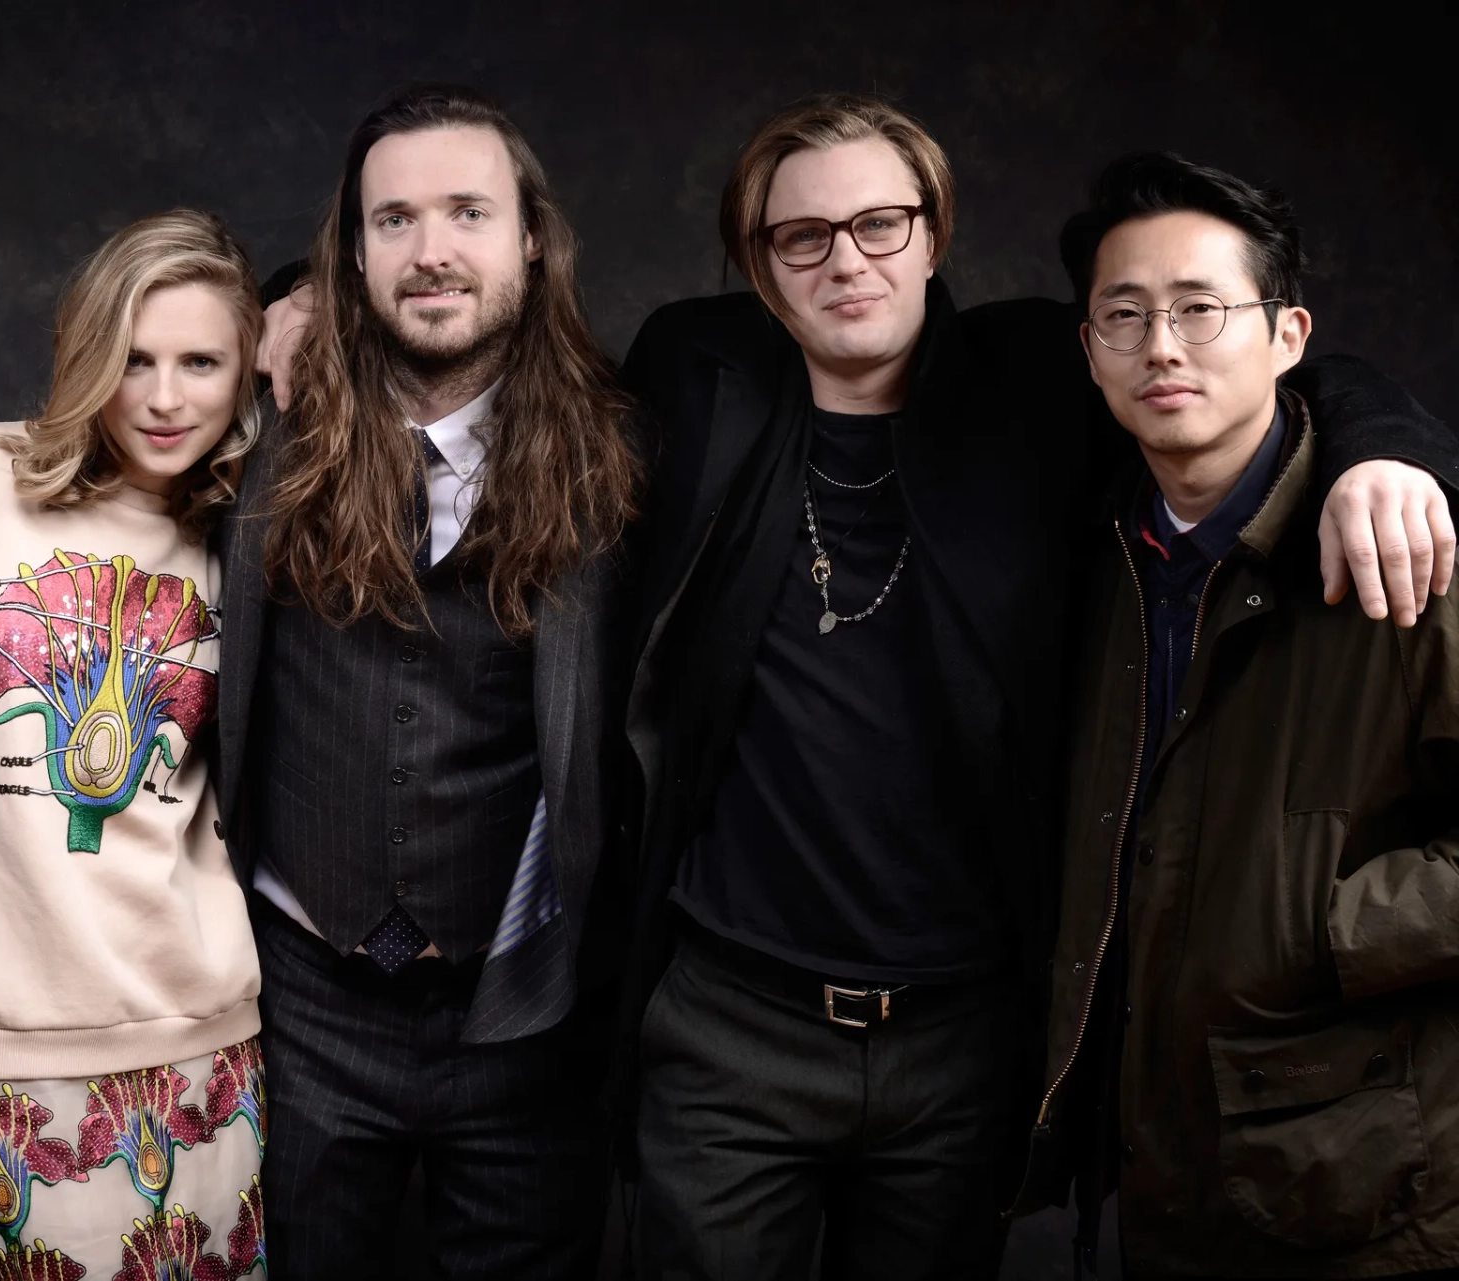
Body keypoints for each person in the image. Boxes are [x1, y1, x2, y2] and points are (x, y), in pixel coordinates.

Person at [610, 97, 1456, 1280]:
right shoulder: (693, 371)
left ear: (936, 230)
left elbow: (1238, 352)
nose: (845, 259)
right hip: (729, 1021)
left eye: (880, 224)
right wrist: (295, 299)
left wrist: (1385, 450)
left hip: (964, 1033)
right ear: (758, 264)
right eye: (800, 236)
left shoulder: (1036, 383)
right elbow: (496, 361)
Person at [221, 83, 640, 1278]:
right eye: (393, 220)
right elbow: (103, 423)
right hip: (299, 999)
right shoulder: (257, 436)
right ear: (349, 259)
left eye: (467, 211)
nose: (432, 250)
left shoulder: (626, 455)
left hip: (528, 1009)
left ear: (533, 238)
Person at [1019, 152, 1459, 1280]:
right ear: (1090, 349)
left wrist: (1327, 925)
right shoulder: (1093, 551)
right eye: (1125, 314)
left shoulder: (1407, 548)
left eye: (1201, 309)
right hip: (1162, 1168)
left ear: (1290, 334)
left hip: (1367, 1188)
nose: (1162, 347)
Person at [0, 209, 267, 1280]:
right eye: (132, 358)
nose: (162, 397)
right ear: (84, 352)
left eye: (201, 362)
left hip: (193, 1038)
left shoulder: (246, 533)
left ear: (246, 373)